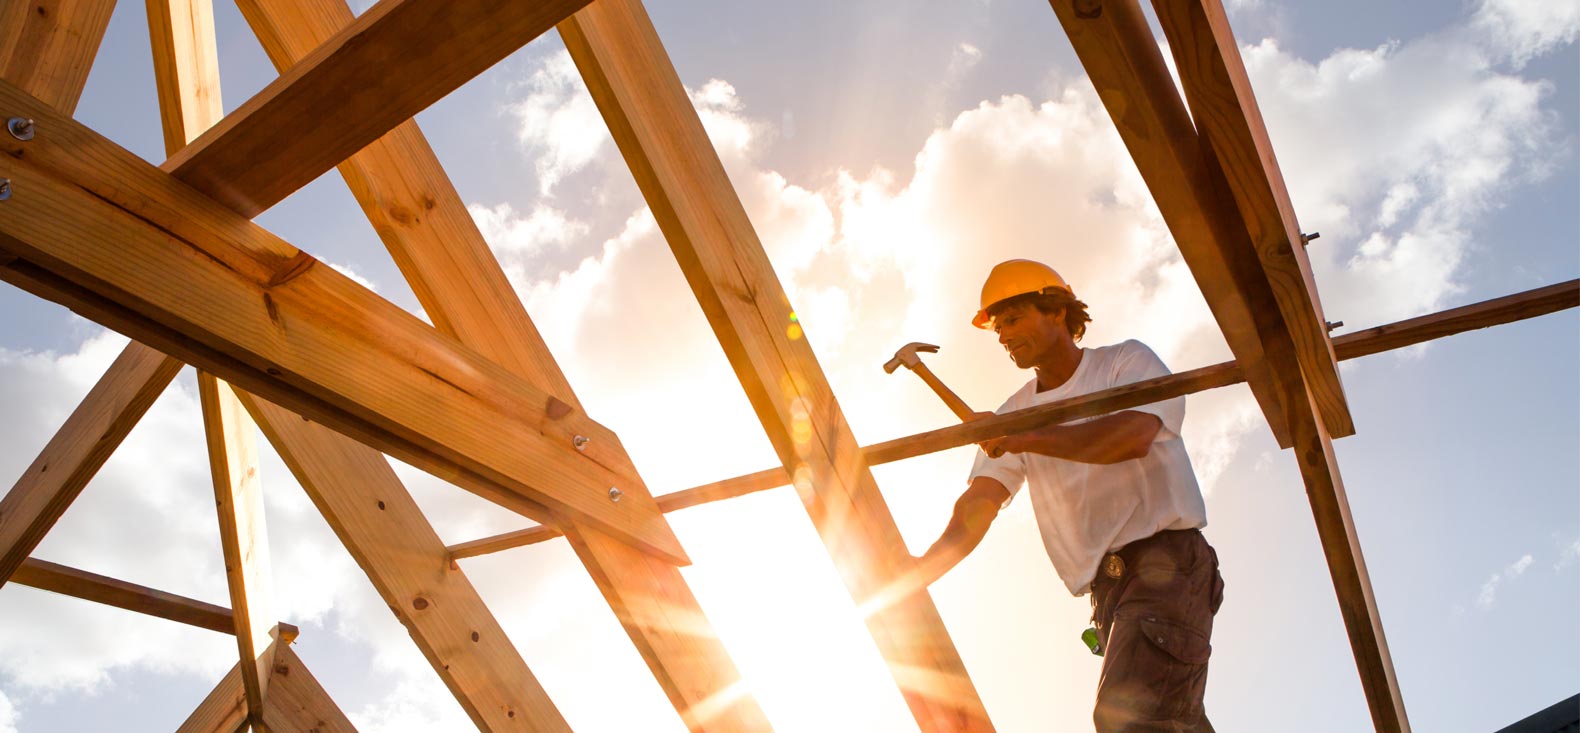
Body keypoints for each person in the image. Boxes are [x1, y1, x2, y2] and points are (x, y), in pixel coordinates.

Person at [913, 259, 1224, 732]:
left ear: (1057, 312)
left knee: (1129, 718)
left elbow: (1132, 436)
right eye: (997, 328)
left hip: (1168, 567)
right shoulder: (1014, 413)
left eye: (1013, 319)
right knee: (1171, 723)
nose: (1003, 336)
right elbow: (980, 502)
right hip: (1108, 594)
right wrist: (918, 572)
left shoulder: (1123, 362)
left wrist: (1025, 438)